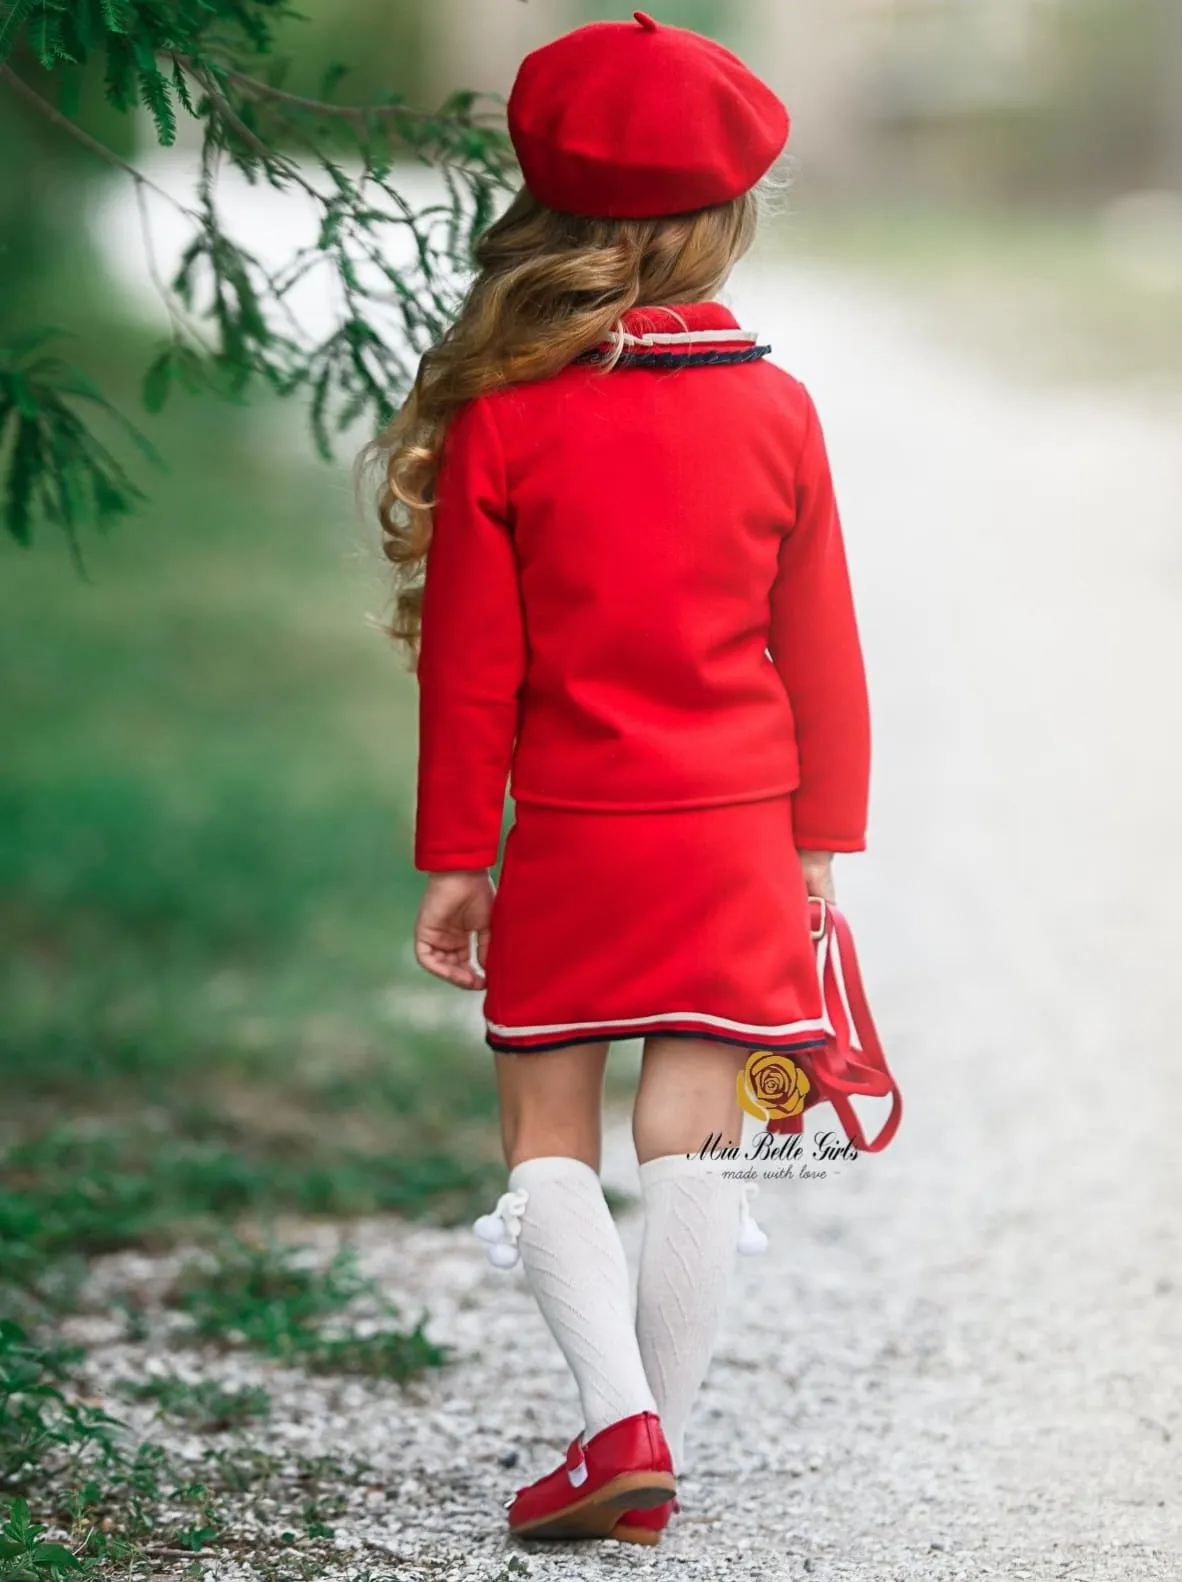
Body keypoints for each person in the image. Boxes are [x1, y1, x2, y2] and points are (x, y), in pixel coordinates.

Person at [368, 9, 871, 1548]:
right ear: (725, 222)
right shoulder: (778, 408)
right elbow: (825, 649)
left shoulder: (503, 421)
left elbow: (471, 672)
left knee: (546, 1137)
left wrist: (458, 852)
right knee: (693, 1140)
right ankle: (650, 1445)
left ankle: (612, 1427)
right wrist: (820, 842)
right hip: (731, 838)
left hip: (578, 838)